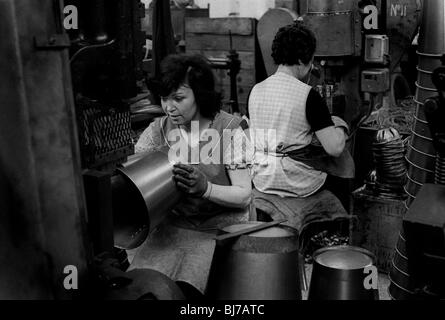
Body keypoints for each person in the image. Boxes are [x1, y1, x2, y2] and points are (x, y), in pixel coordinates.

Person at [130, 53, 253, 297]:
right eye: (164, 98)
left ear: (200, 95)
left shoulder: (230, 129)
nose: (168, 107)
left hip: (219, 229)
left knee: (190, 292)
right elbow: (135, 178)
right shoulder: (158, 130)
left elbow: (243, 195)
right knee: (144, 288)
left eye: (178, 98)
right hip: (173, 227)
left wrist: (206, 188)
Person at [248, 22, 352, 233]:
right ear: (302, 59)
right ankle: (340, 235)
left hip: (262, 178)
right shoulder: (308, 95)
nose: (312, 66)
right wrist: (340, 124)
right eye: (311, 60)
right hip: (296, 185)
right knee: (342, 170)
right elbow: (334, 148)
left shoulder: (256, 90)